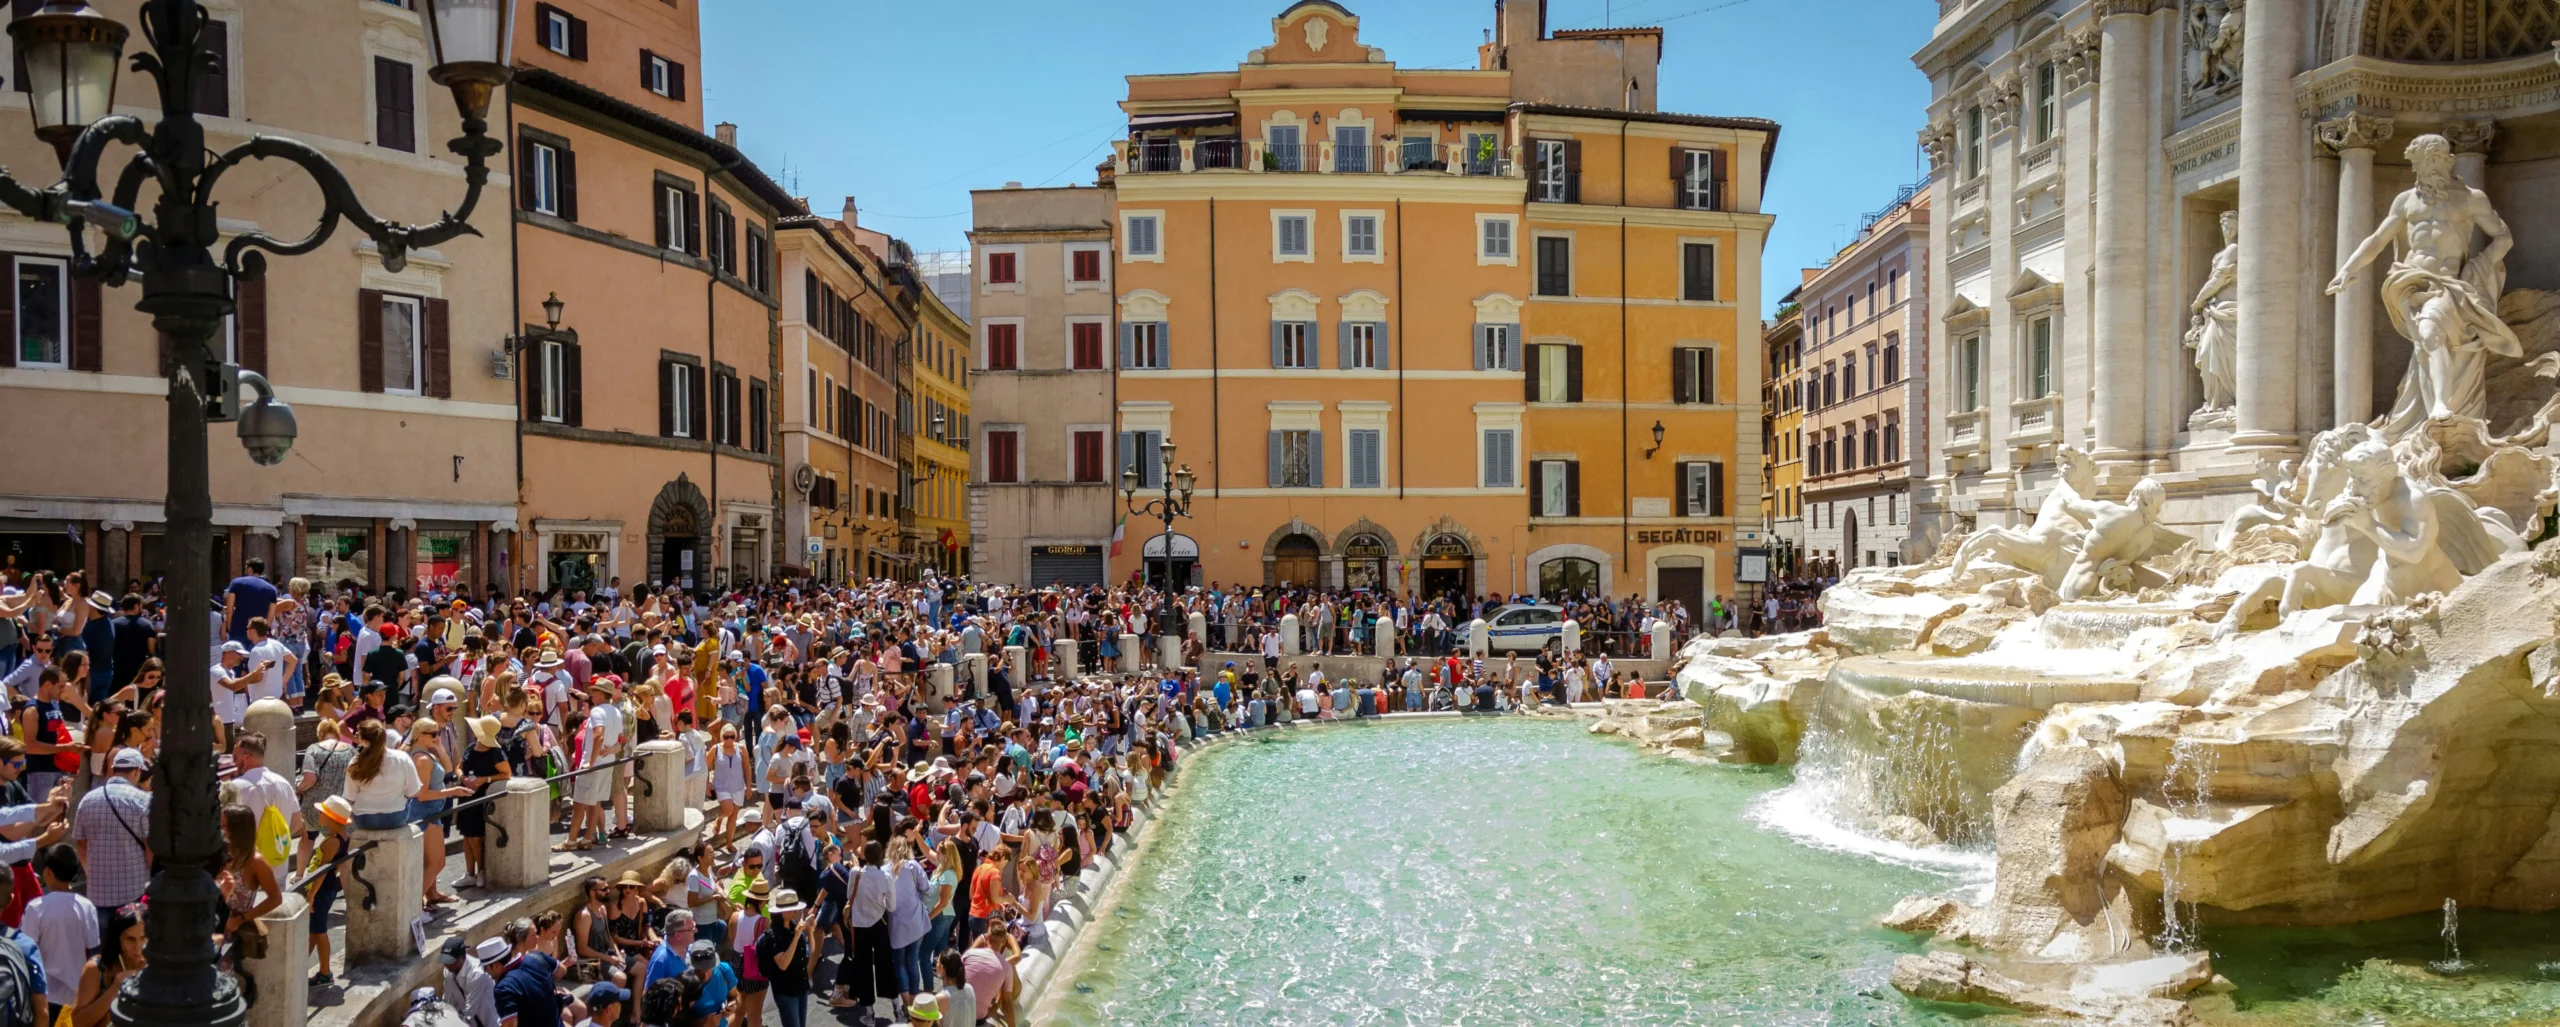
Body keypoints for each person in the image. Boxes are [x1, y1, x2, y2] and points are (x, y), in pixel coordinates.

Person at [70, 749, 151, 909]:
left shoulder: (87, 800)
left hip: (98, 891)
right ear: (137, 771)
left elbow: (81, 844)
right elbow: (150, 847)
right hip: (134, 889)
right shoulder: (144, 800)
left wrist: (91, 875)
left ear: (113, 769)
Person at [18, 846, 91, 1009]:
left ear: (48, 872)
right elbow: (92, 948)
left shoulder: (36, 908)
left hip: (45, 994)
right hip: (78, 994)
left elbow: (27, 950)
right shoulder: (86, 906)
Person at [302, 795, 352, 987]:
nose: (319, 815)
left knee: (319, 931)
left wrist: (311, 896)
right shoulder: (342, 837)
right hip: (327, 887)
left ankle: (324, 972)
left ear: (331, 818)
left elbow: (322, 871)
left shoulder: (332, 841)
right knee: (314, 931)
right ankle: (301, 966)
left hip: (322, 889)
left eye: (322, 813)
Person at [69, 903, 139, 1027]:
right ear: (117, 940)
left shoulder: (158, 968)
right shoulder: (97, 969)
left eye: (144, 938)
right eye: (130, 939)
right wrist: (115, 989)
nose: (138, 947)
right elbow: (78, 1023)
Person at [751, 888, 813, 1027]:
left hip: (801, 986)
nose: (795, 912)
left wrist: (810, 932)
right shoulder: (774, 935)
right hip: (786, 990)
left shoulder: (794, 926)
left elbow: (810, 951)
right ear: (781, 912)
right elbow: (783, 964)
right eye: (791, 909)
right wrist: (796, 937)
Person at [440, 936, 503, 1027]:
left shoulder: (478, 974)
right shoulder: (448, 972)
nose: (446, 964)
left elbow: (469, 1012)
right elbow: (447, 1003)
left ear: (461, 958)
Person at [222, 557, 279, 646]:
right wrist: (263, 630)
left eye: (246, 567)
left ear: (250, 569)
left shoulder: (236, 583)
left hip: (238, 629)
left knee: (236, 658)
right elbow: (270, 616)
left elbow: (229, 609)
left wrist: (230, 626)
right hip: (258, 633)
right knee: (255, 659)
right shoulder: (272, 589)